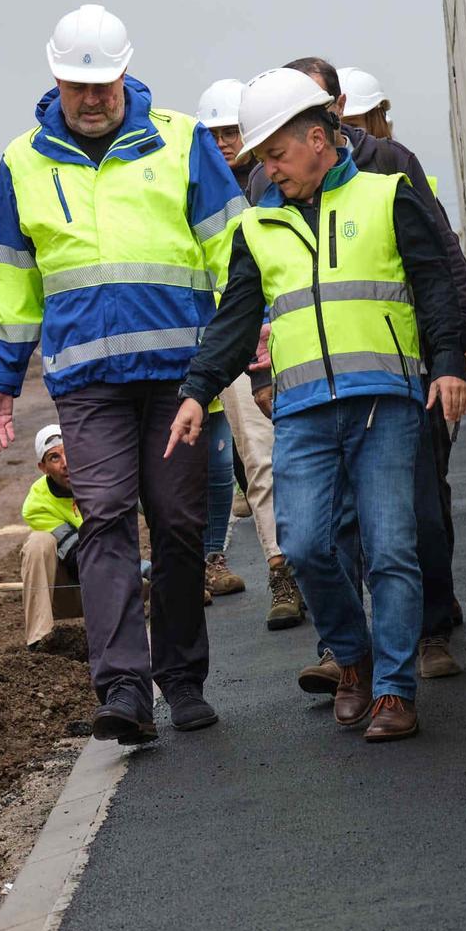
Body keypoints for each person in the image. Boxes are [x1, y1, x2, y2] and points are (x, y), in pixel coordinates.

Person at [0, 4, 244, 743]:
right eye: (77, 84)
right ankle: (123, 688)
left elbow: (234, 248)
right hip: (86, 383)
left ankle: (182, 677)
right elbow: (13, 282)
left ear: (125, 73)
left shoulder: (181, 141)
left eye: (104, 84)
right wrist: (1, 373)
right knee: (106, 519)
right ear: (55, 77)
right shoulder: (23, 161)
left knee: (179, 524)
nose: (92, 98)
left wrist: (252, 331)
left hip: (181, 376)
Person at [168, 67, 466, 741]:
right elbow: (235, 319)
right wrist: (197, 389)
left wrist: (448, 362)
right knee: (304, 545)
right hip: (302, 409)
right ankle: (352, 655)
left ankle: (393, 689)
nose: (268, 171)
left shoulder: (388, 195)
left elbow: (436, 284)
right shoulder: (258, 228)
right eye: (262, 159)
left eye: (275, 155)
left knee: (391, 546)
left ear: (316, 138)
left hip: (386, 403)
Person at [248, 58, 466, 688]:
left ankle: (424, 638)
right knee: (326, 535)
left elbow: (439, 264)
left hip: (399, 382)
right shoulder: (267, 191)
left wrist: (452, 353)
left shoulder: (392, 169)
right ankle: (346, 652)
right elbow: (261, 295)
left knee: (409, 526)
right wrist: (257, 378)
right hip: (312, 395)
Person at [195, 77, 305, 630]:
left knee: (312, 457)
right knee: (258, 460)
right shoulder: (194, 189)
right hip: (240, 341)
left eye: (230, 131)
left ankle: (321, 566)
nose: (222, 143)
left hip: (300, 330)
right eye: (211, 134)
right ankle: (282, 572)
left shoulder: (279, 179)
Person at [20, 424, 84, 647]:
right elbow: (78, 555)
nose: (66, 464)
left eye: (70, 452)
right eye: (55, 458)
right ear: (43, 467)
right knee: (39, 541)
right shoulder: (37, 502)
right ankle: (40, 640)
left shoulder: (104, 479)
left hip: (119, 584)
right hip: (68, 592)